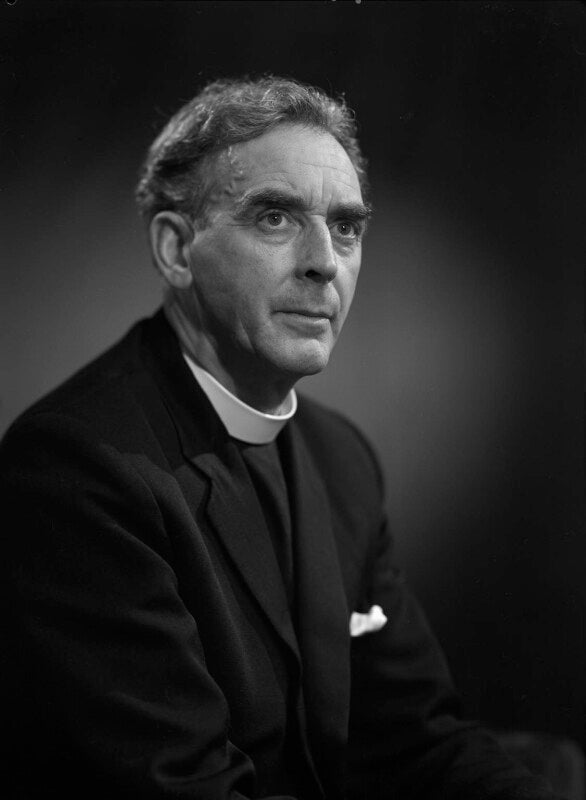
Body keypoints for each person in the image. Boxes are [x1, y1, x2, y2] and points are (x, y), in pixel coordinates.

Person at [0, 77, 560, 800]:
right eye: (274, 218)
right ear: (176, 249)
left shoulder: (341, 458)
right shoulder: (77, 471)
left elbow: (415, 738)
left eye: (347, 228)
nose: (325, 261)